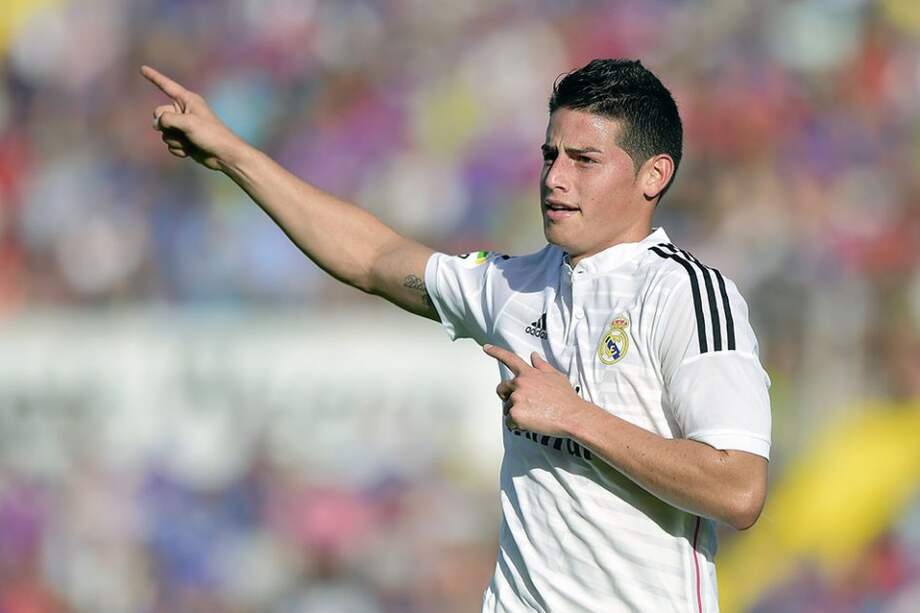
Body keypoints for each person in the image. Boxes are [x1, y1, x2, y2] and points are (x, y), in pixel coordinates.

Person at [142, 58, 771, 612]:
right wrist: (230, 153)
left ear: (653, 176)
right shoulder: (513, 285)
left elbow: (738, 487)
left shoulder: (688, 296)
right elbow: (374, 257)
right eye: (551, 154)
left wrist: (576, 416)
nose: (555, 179)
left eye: (585, 160)